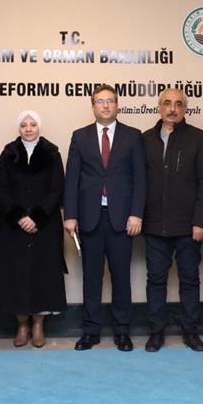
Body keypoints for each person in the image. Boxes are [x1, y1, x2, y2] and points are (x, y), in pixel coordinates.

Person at [64, 84, 146, 352]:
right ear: (93, 106)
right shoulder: (80, 136)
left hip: (122, 219)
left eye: (110, 100)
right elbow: (72, 178)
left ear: (117, 105)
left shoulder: (132, 136)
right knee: (92, 278)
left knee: (121, 277)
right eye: (100, 101)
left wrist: (136, 213)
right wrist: (70, 215)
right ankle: (91, 331)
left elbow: (140, 179)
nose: (106, 105)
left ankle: (122, 332)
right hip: (90, 218)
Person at [142, 88, 203, 352]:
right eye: (167, 103)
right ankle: (156, 333)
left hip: (188, 227)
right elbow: (138, 182)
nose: (172, 109)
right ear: (159, 107)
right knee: (155, 281)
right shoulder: (145, 139)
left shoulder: (199, 138)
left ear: (185, 109)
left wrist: (201, 222)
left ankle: (190, 332)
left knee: (190, 280)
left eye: (178, 104)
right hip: (154, 225)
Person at [0, 110, 67, 347]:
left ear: (39, 127)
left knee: (43, 275)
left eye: (32, 124)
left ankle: (39, 324)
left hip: (45, 225)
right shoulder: (8, 153)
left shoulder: (52, 153)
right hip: (14, 226)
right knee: (16, 275)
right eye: (24, 125)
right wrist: (20, 217)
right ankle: (22, 325)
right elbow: (2, 189)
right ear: (19, 128)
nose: (28, 129)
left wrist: (37, 218)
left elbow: (57, 188)